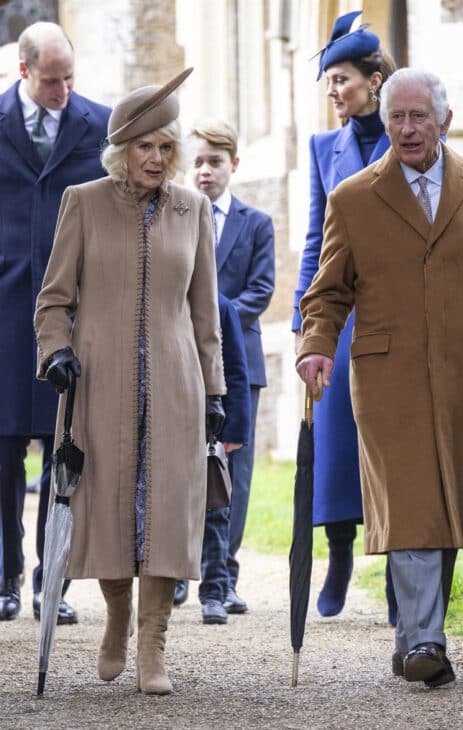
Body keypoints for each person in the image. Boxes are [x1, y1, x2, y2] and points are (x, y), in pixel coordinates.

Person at [296, 67, 463, 688]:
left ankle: (412, 639)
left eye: (418, 117)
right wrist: (315, 347)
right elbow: (326, 292)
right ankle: (428, 637)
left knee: (449, 501)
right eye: (397, 116)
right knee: (411, 500)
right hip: (387, 375)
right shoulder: (353, 196)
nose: (405, 128)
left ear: (444, 122)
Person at [34, 68, 226, 695]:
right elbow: (53, 300)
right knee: (111, 507)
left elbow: (206, 312)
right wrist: (56, 351)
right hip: (100, 382)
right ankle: (117, 615)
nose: (157, 157)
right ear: (121, 151)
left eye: (166, 146)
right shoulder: (83, 202)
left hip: (175, 385)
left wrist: (216, 391)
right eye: (144, 146)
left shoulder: (192, 208)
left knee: (168, 511)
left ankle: (155, 645)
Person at [0, 22, 110, 623]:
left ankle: (54, 583)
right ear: (23, 72)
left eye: (70, 78)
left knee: (63, 451)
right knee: (2, 452)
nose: (64, 90)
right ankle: (3, 578)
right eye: (50, 80)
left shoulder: (101, 123)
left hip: (71, 312)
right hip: (3, 309)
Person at [292, 10, 398, 621]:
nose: (334, 91)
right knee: (332, 442)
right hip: (337, 316)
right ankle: (337, 557)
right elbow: (315, 238)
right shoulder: (321, 148)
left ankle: (394, 572)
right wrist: (309, 324)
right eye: (328, 81)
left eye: (342, 79)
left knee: (386, 443)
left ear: (374, 80)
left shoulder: (407, 138)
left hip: (393, 316)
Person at [188, 120, 275, 614]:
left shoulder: (256, 223)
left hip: (241, 360)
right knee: (186, 468)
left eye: (215, 162)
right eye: (198, 161)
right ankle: (187, 570)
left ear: (233, 166)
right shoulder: (174, 218)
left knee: (233, 474)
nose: (205, 171)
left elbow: (261, 292)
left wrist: (211, 323)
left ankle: (227, 573)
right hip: (184, 360)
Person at [174, 293, 251, 624]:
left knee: (216, 512)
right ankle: (172, 581)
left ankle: (215, 591)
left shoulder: (220, 305)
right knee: (170, 512)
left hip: (211, 429)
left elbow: (235, 370)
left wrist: (234, 430)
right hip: (169, 423)